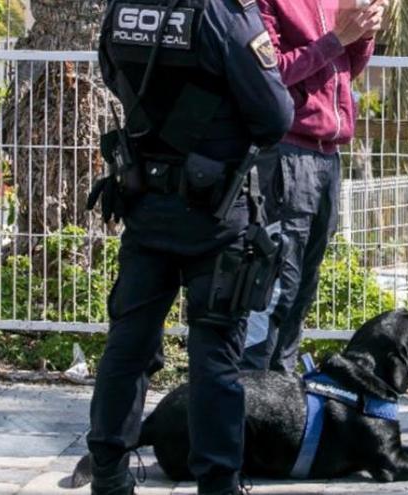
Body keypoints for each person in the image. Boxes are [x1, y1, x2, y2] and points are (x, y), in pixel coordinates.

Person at [86, 0, 294, 493]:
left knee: (128, 347)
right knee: (215, 358)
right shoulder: (223, 11)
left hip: (146, 206)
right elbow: (274, 115)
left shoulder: (123, 7)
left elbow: (114, 75)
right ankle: (218, 484)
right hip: (215, 217)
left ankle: (109, 475)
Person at [240, 0, 385, 372]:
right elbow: (270, 73)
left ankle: (282, 382)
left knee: (304, 282)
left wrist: (362, 37)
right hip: (287, 153)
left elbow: (344, 72)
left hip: (326, 157)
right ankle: (252, 387)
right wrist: (338, 39)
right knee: (276, 282)